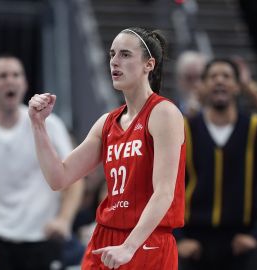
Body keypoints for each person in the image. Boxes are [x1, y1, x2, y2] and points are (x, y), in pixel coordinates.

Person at [29, 27, 185, 269]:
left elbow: (164, 193)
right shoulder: (106, 123)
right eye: (112, 54)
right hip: (105, 237)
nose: (114, 61)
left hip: (146, 239)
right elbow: (58, 177)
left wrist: (129, 246)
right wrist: (38, 125)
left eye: (125, 54)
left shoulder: (163, 113)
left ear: (148, 64)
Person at [0, 55, 84, 269]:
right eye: (3, 76)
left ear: (24, 84)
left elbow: (74, 178)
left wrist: (64, 220)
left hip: (41, 238)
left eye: (16, 75)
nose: (10, 81)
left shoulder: (51, 124)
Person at [179, 58, 257, 270]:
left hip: (242, 242)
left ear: (237, 87)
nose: (219, 81)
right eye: (213, 76)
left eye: (226, 76)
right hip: (193, 242)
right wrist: (178, 238)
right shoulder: (183, 130)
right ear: (202, 86)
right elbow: (161, 187)